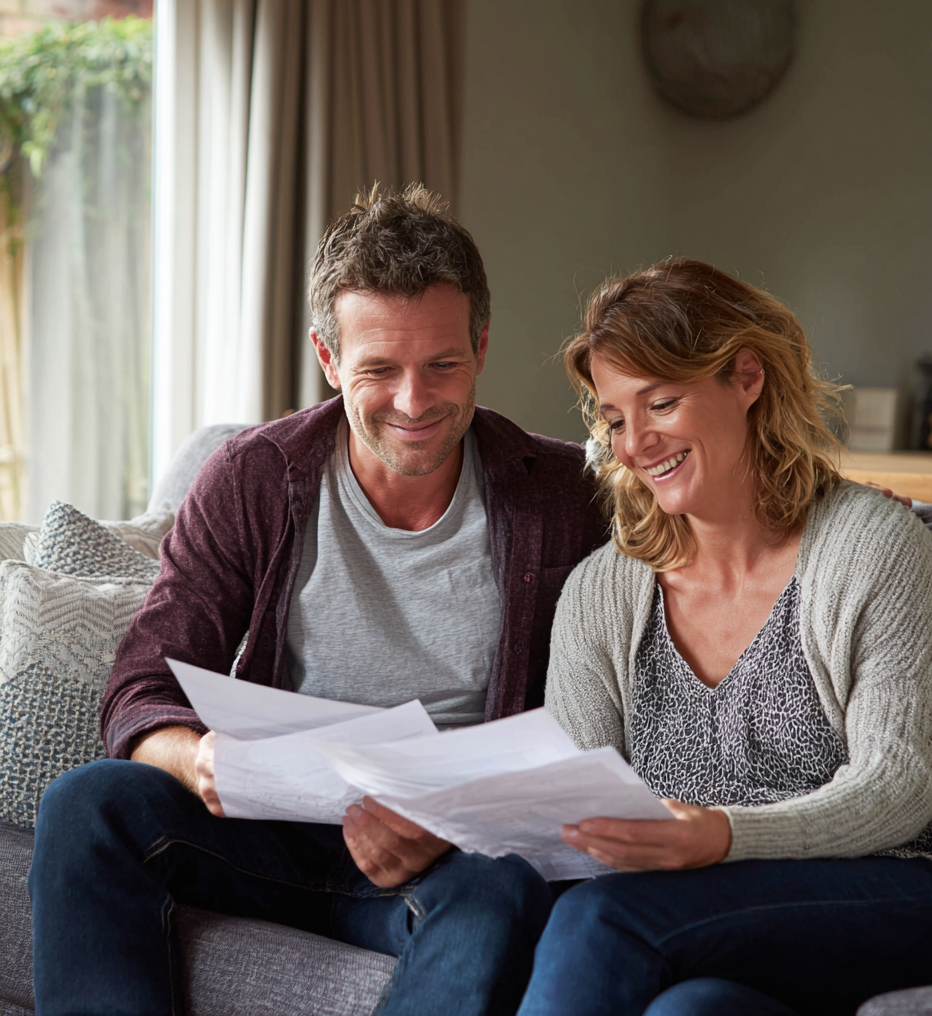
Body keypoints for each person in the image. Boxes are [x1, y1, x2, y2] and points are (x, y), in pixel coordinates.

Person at [28, 185, 608, 1016]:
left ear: (481, 344)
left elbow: (602, 724)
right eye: (379, 369)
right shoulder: (254, 478)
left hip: (449, 847)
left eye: (442, 363)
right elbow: (142, 684)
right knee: (86, 804)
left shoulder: (561, 496)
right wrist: (195, 760)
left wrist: (452, 820)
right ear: (329, 360)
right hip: (270, 824)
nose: (414, 401)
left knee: (504, 889)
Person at [517, 259, 932, 1016]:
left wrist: (721, 836)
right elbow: (580, 812)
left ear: (746, 377)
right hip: (716, 917)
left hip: (914, 886)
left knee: (604, 919)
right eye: (615, 419)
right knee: (692, 1011)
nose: (634, 444)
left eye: (660, 402)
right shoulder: (601, 592)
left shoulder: (873, 545)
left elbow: (898, 787)